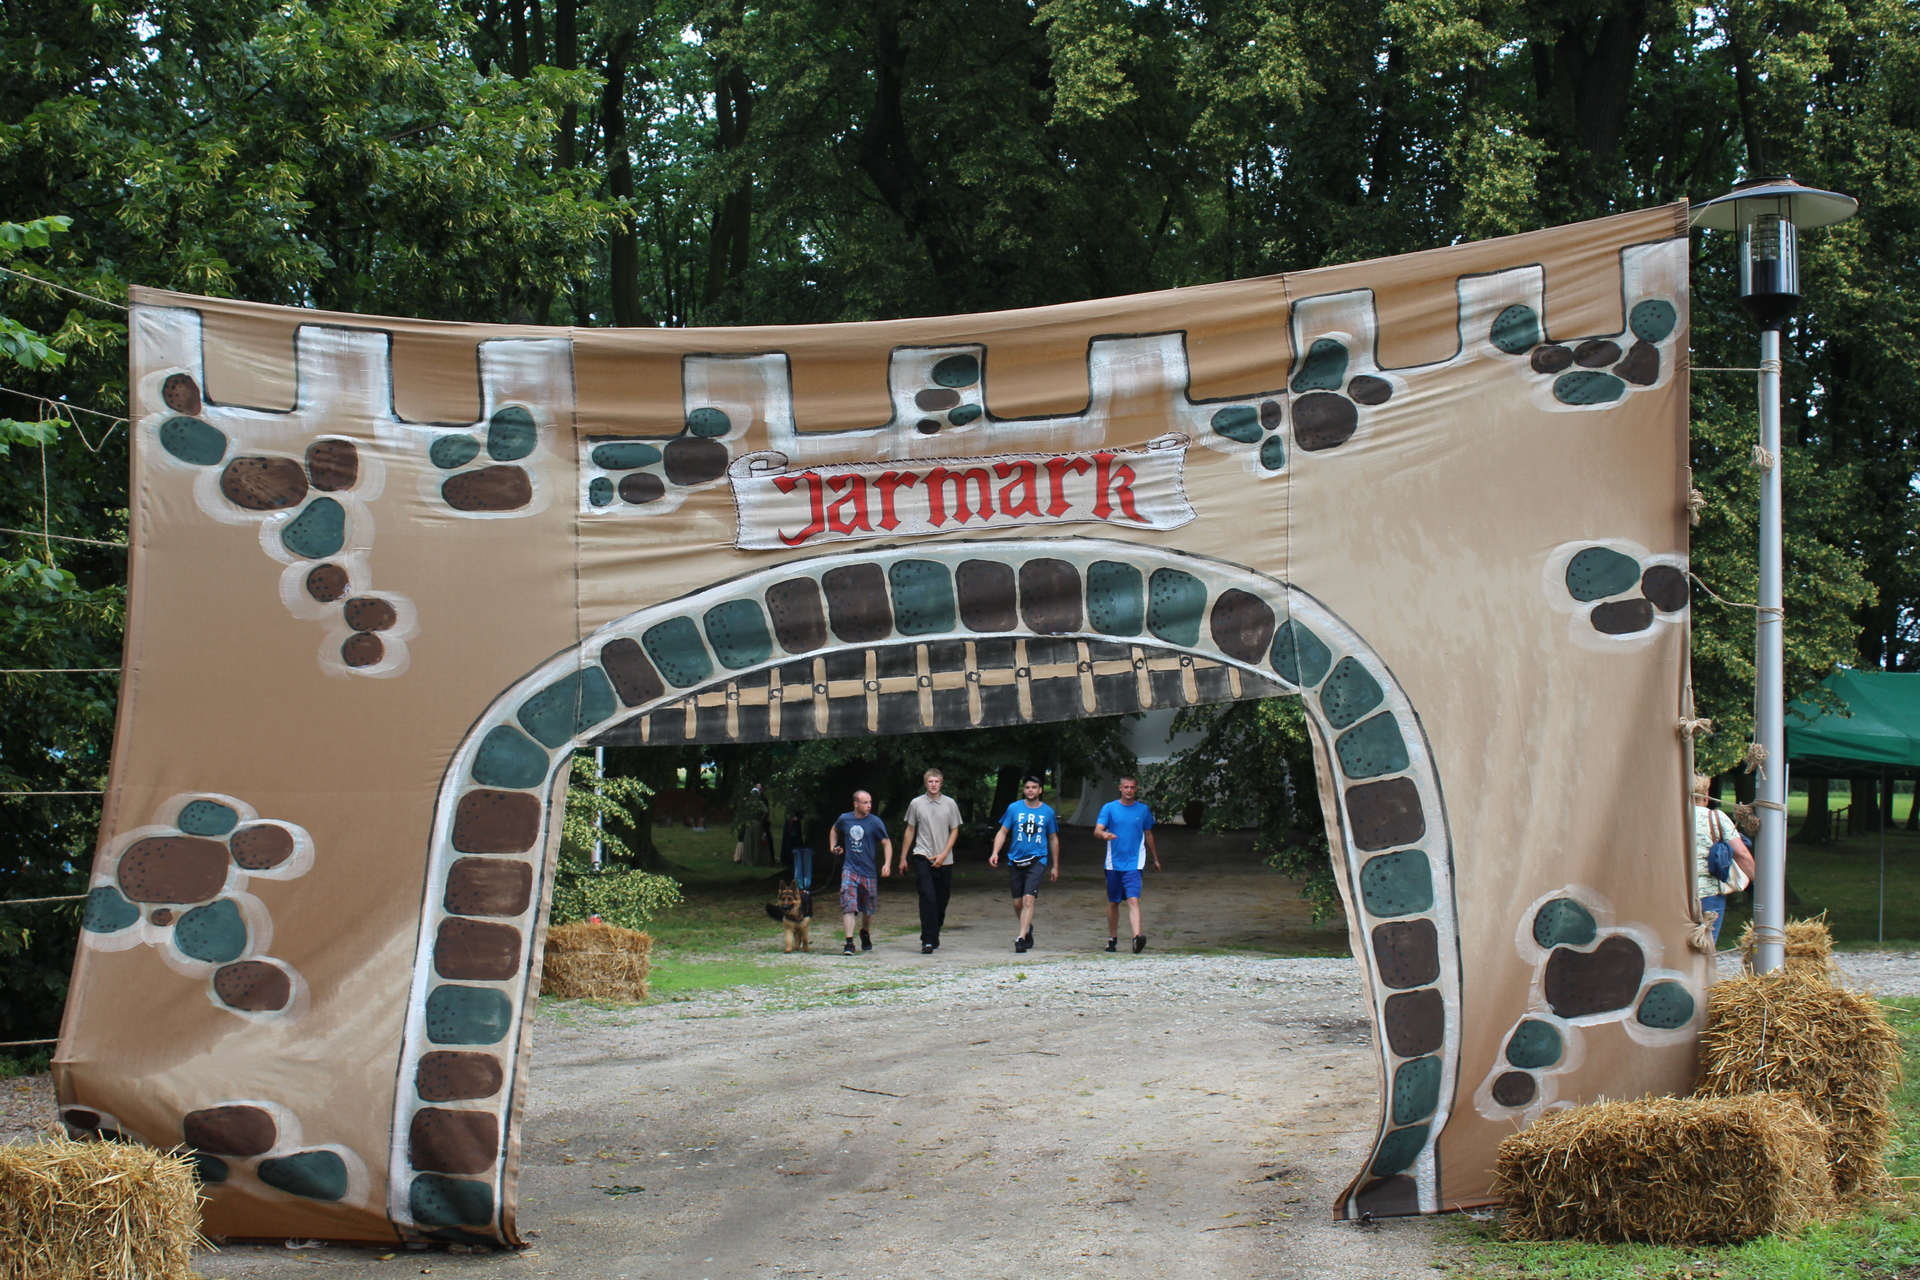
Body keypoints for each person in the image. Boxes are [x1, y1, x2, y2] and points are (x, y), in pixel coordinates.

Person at [989, 774, 1058, 953]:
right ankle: (1027, 927)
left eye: (1034, 788)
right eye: (1027, 787)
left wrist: (1055, 865)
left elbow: (1053, 838)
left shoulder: (1048, 812)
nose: (1030, 791)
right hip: (1016, 860)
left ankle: (1020, 937)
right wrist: (995, 852)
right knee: (1017, 903)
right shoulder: (1014, 809)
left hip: (1037, 860)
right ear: (1024, 790)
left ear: (1040, 790)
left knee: (1029, 899)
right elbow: (1003, 832)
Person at [1093, 774, 1162, 953]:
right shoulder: (1109, 808)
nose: (1129, 790)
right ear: (1120, 788)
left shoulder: (1143, 810)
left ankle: (1136, 938)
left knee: (1133, 900)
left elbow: (1148, 834)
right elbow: (1097, 830)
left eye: (1132, 787)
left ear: (1136, 789)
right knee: (1114, 901)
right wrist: (1104, 834)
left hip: (1134, 863)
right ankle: (1112, 938)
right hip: (1113, 863)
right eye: (1126, 787)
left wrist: (1154, 858)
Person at [897, 768, 963, 954]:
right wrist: (903, 857)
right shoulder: (917, 803)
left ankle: (934, 933)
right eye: (930, 781)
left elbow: (955, 830)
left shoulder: (950, 804)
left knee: (941, 901)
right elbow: (910, 830)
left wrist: (943, 854)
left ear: (941, 783)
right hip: (922, 855)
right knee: (928, 897)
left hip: (944, 858)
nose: (933, 785)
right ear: (925, 783)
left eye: (936, 781)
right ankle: (927, 940)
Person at [831, 790, 892, 956]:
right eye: (865, 803)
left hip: (869, 872)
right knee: (848, 903)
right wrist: (833, 846)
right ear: (856, 804)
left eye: (870, 802)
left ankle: (864, 931)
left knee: (868, 909)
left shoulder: (875, 822)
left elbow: (886, 843)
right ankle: (849, 943)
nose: (869, 806)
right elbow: (834, 830)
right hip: (850, 869)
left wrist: (887, 864)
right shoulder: (845, 819)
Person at [1692, 773, 1751, 944]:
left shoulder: (1667, 818)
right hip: (1709, 894)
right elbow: (1741, 853)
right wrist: (1761, 883)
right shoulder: (1715, 818)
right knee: (1705, 946)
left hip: (1673, 894)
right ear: (1705, 796)